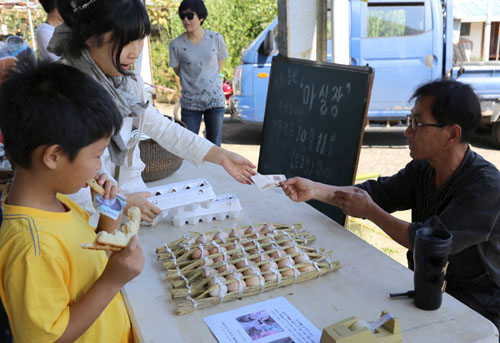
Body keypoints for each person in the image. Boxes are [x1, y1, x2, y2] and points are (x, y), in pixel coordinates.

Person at [281, 79, 500, 330]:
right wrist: (315, 190)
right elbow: (375, 193)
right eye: (410, 121)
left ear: (452, 134)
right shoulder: (424, 169)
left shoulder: (486, 186)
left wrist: (372, 213)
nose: (408, 132)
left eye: (417, 124)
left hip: (477, 305)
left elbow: (427, 241)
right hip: (428, 289)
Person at [50, 0, 255, 225]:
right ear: (89, 36)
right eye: (126, 41)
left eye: (140, 39)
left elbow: (162, 128)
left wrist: (220, 155)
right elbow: (67, 180)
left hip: (133, 203)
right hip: (88, 218)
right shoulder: (63, 90)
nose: (135, 52)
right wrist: (121, 202)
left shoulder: (127, 82)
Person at [0, 60, 144, 342]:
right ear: (53, 156)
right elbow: (49, 337)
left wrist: (109, 217)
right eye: (96, 154)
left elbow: (89, 260)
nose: (99, 165)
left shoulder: (59, 205)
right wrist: (113, 281)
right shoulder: (31, 247)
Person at [169, 0, 228, 146]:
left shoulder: (216, 39)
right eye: (182, 16)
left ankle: (213, 170)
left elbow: (219, 65)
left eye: (190, 15)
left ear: (201, 17)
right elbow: (178, 71)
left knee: (214, 144)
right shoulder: (176, 45)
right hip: (190, 103)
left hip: (215, 100)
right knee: (187, 145)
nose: (186, 20)